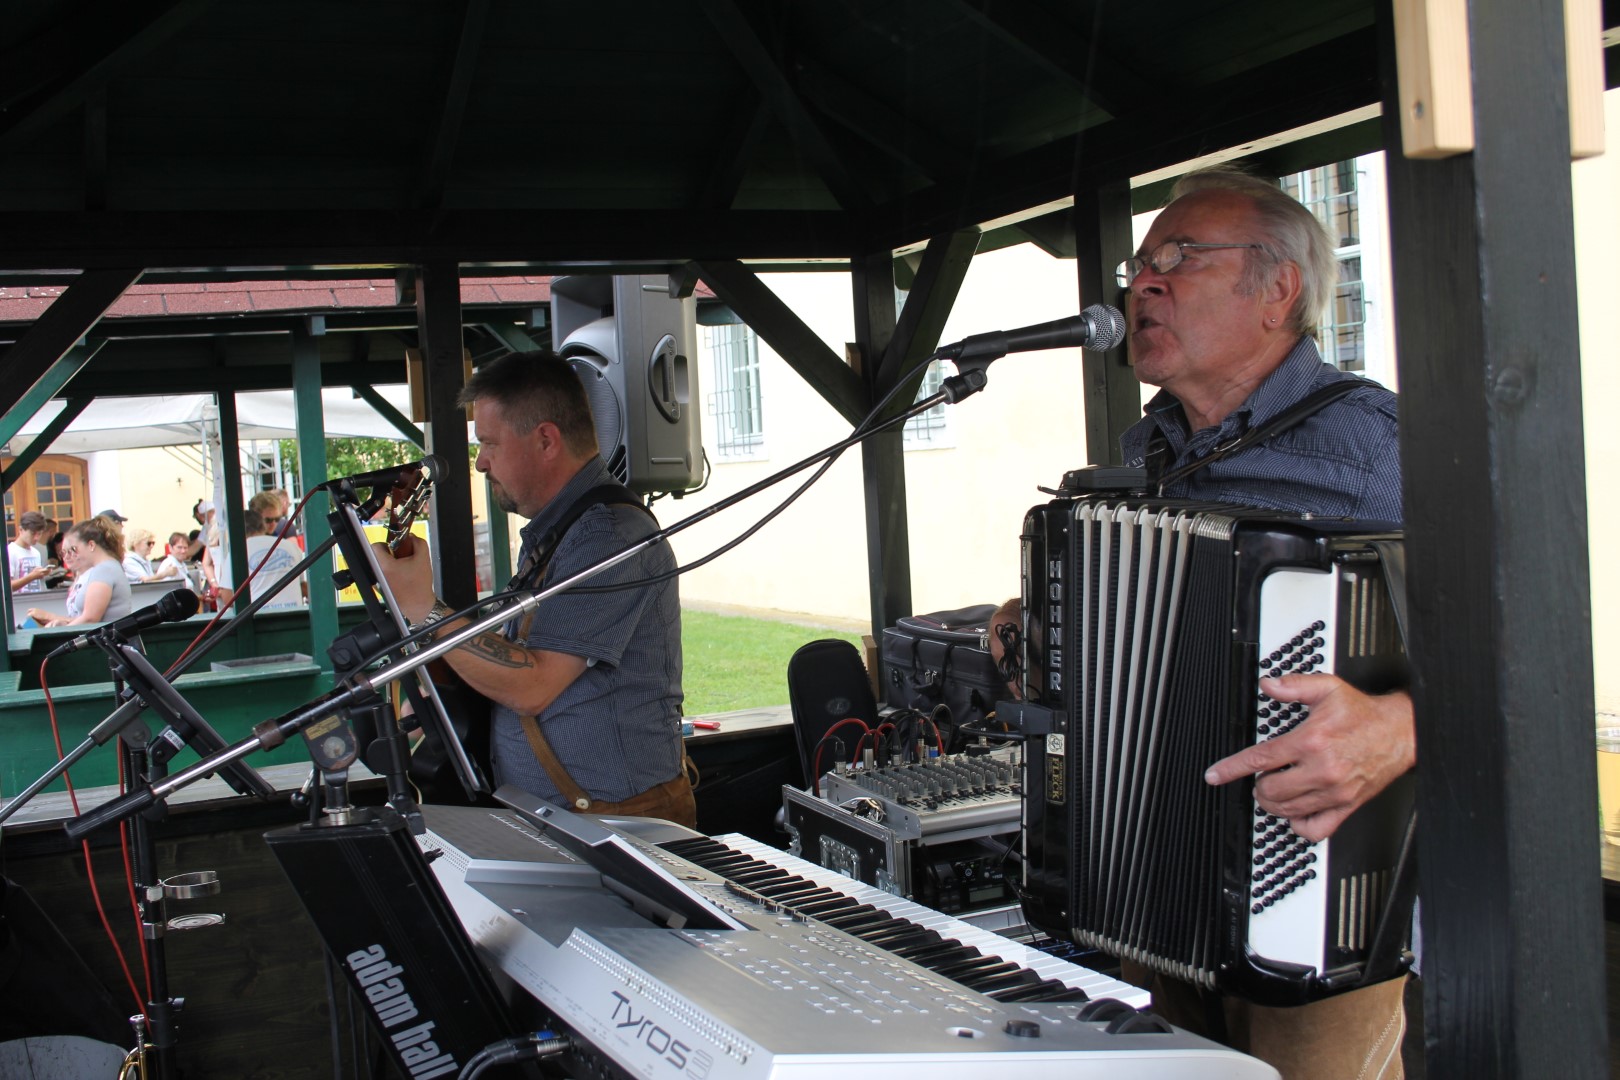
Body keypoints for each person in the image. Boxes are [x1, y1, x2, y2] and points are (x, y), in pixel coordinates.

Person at [1112, 164, 1412, 1079]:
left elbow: (1528, 640)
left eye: (1179, 257)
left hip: (1320, 888)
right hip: (1159, 879)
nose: (1141, 283)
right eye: (1139, 263)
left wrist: (1403, 726)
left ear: (1278, 288)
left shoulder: (1374, 446)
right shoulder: (1147, 447)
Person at [373, 349, 693, 826]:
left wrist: (423, 607)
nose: (480, 463)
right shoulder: (560, 532)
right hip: (570, 820)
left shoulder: (609, 535)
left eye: (489, 443)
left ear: (545, 440)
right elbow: (519, 655)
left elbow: (534, 684)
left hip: (620, 826)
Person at [27, 516, 135, 628]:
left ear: (91, 545)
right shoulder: (107, 567)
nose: (72, 555)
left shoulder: (104, 569)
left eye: (74, 549)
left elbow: (90, 618)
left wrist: (60, 631)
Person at [242, 507, 305, 610]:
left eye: (277, 519)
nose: (273, 524)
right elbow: (302, 585)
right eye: (268, 520)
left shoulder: (239, 551)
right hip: (293, 613)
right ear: (262, 525)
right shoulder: (290, 546)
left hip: (257, 616)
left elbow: (228, 596)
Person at [9, 511, 53, 593]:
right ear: (21, 530)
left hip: (35, 600)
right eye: (33, 534)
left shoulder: (36, 553)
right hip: (18, 603)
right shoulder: (10, 552)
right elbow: (7, 587)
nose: (36, 538)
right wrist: (32, 576)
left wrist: (42, 573)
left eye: (39, 534)